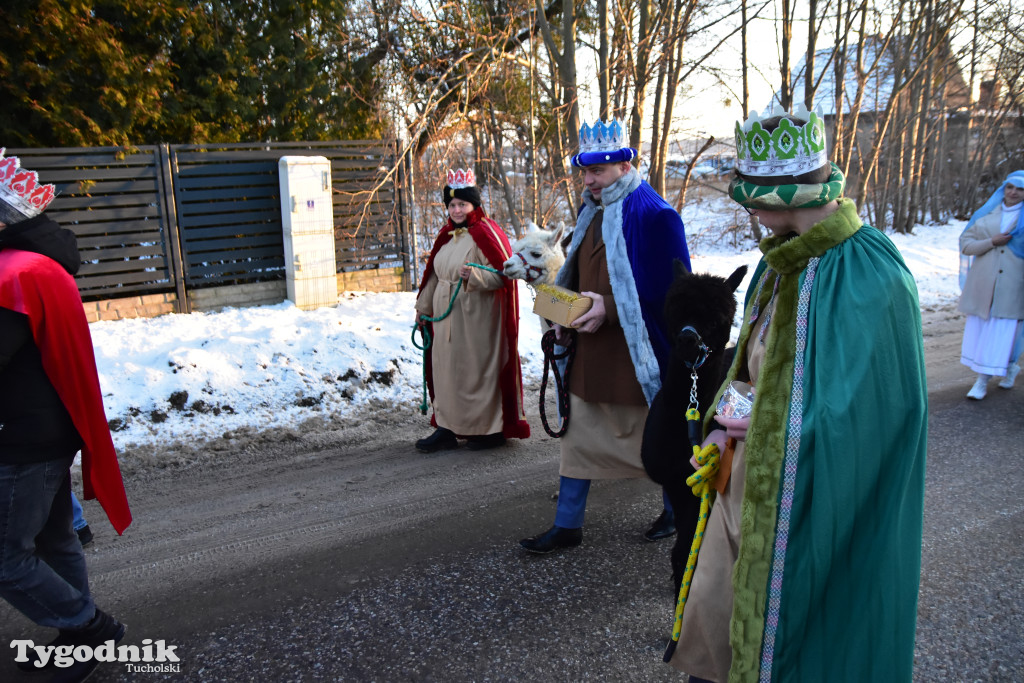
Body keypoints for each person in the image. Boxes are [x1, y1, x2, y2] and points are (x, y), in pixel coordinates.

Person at [665, 107, 928, 682]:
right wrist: (720, 423)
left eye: (754, 198)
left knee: (796, 635)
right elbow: (750, 366)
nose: (750, 211)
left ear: (787, 196)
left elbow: (871, 419)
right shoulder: (780, 264)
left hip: (808, 501)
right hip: (742, 486)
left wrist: (760, 423)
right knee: (717, 620)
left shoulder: (869, 273)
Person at [519, 119, 691, 553]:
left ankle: (674, 510)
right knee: (578, 440)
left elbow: (674, 295)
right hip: (589, 352)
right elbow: (577, 275)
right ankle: (567, 524)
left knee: (655, 439)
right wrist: (558, 312)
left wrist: (609, 309)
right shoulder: (590, 209)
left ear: (624, 164)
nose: (589, 180)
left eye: (598, 171)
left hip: (634, 360)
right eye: (584, 171)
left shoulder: (657, 217)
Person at [0, 149, 133, 681]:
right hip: (47, 428)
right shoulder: (38, 264)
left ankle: (87, 627)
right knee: (54, 539)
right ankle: (80, 636)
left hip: (22, 436)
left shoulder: (12, 273)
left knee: (5, 555)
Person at [414, 168, 530, 452]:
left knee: (474, 373)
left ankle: (489, 430)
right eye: (452, 205)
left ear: (474, 205)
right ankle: (447, 427)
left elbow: (505, 276)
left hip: (477, 319)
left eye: (462, 204)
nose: (456, 210)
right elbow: (433, 276)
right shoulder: (446, 236)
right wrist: (422, 309)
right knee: (446, 372)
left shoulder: (487, 232)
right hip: (445, 321)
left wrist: (474, 277)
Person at [958, 170, 1024, 399]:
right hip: (983, 284)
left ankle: (982, 381)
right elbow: (966, 244)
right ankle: (1009, 367)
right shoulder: (985, 215)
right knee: (982, 332)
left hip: (1014, 286)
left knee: (1003, 332)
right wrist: (991, 242)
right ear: (1003, 188)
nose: (1014, 193)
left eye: (1020, 189)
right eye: (1010, 187)